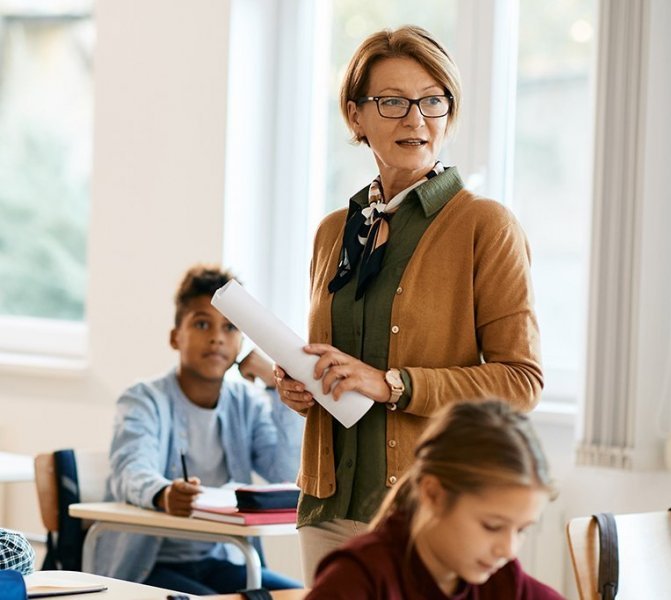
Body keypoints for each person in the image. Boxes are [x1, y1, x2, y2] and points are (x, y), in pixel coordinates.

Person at [273, 25, 542, 580]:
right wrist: (303, 385)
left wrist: (394, 384)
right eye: (392, 102)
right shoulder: (333, 231)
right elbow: (344, 369)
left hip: (427, 512)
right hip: (327, 505)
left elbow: (521, 382)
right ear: (356, 116)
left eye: (432, 101)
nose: (415, 119)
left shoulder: (485, 226)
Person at [90, 265, 304, 594]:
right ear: (175, 337)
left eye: (230, 327)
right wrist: (163, 494)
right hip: (148, 566)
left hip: (222, 559)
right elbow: (129, 470)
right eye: (202, 323)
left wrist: (277, 385)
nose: (217, 336)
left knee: (308, 594)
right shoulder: (143, 400)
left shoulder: (245, 403)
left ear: (242, 342)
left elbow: (286, 470)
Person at [305, 400, 562, 599]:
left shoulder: (505, 582)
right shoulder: (355, 581)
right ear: (433, 494)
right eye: (492, 526)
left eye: (521, 530)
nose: (508, 550)